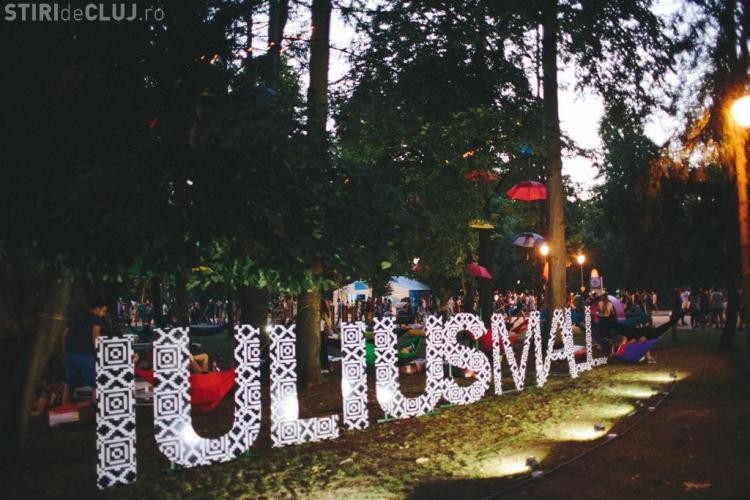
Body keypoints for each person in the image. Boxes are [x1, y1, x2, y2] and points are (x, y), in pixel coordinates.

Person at [62, 298, 108, 404]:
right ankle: (96, 409)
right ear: (97, 309)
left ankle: (64, 409)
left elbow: (64, 336)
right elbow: (95, 338)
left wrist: (65, 353)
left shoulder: (75, 317)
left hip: (70, 355)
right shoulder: (96, 319)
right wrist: (100, 355)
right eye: (104, 311)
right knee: (97, 384)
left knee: (69, 385)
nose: (104, 314)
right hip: (86, 356)